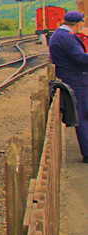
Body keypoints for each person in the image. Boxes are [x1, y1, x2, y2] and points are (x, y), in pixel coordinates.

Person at [48, 10, 88, 163]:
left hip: (74, 78)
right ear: (78, 23)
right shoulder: (66, 37)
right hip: (76, 80)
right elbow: (80, 58)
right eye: (82, 23)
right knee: (83, 116)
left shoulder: (60, 34)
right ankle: (87, 152)